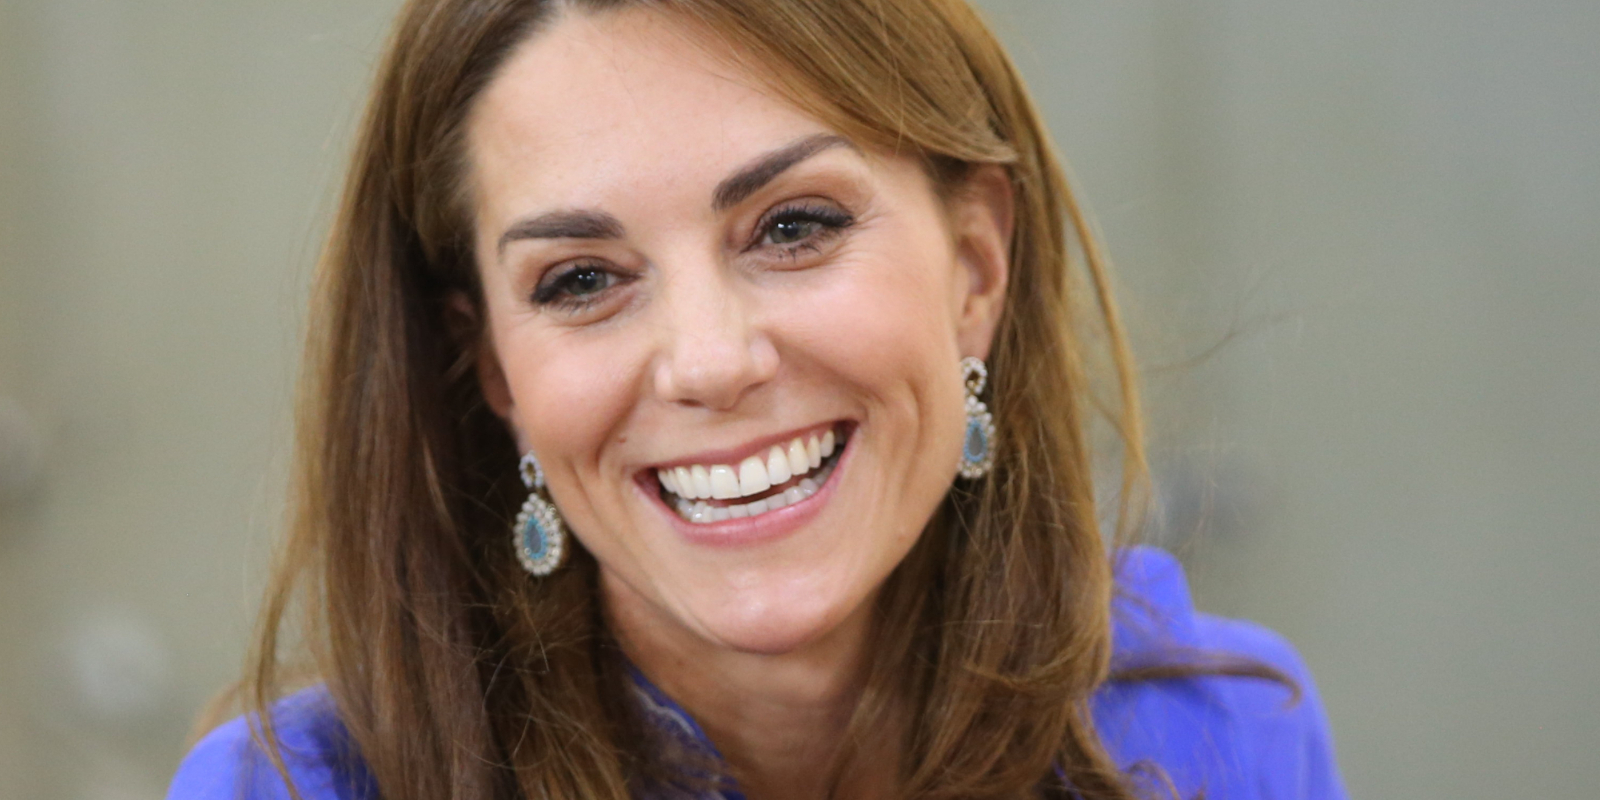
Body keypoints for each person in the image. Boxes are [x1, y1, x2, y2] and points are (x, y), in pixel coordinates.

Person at [168, 1, 1346, 798]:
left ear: (976, 266)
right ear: (491, 369)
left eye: (794, 227)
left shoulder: (1222, 739)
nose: (709, 359)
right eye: (581, 280)